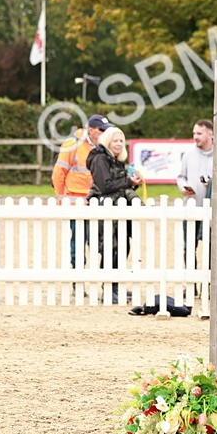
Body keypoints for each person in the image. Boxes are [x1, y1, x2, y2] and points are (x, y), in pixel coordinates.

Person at [88, 126, 143, 303]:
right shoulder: (100, 159)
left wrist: (132, 183)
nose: (119, 144)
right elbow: (105, 185)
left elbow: (118, 184)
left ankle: (116, 286)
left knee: (122, 247)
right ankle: (108, 289)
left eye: (121, 140)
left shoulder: (116, 160)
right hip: (106, 210)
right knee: (109, 250)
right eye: (115, 140)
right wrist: (128, 181)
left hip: (118, 210)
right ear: (107, 141)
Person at [51, 113, 110, 267]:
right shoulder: (72, 144)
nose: (105, 133)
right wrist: (60, 196)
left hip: (98, 201)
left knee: (101, 241)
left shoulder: (105, 145)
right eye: (101, 130)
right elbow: (59, 172)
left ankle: (107, 278)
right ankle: (77, 276)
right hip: (76, 201)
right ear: (90, 130)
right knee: (78, 241)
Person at [176, 119, 214, 265]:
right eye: (194, 133)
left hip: (212, 211)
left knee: (212, 248)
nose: (195, 137)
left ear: (210, 134)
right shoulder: (188, 154)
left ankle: (212, 284)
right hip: (191, 207)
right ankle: (192, 286)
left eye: (199, 133)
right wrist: (183, 187)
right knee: (189, 248)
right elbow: (181, 177)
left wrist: (211, 184)